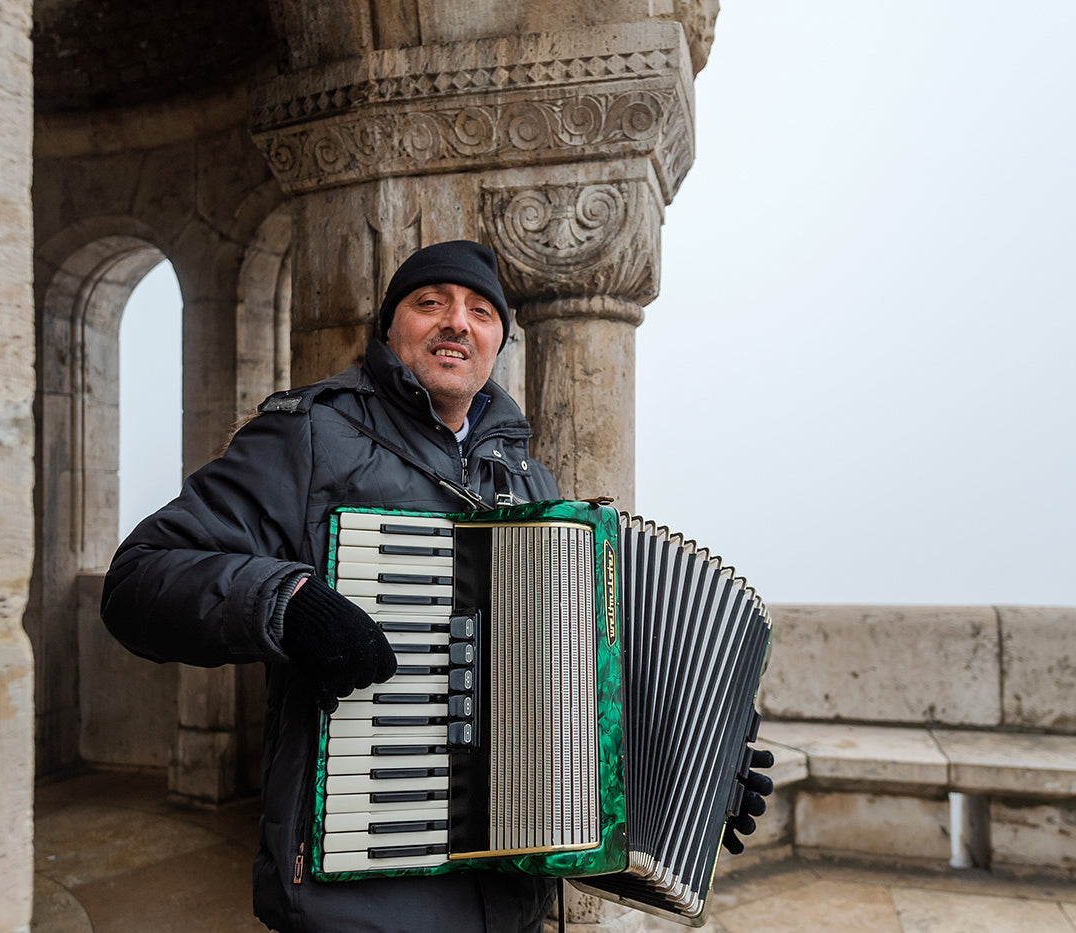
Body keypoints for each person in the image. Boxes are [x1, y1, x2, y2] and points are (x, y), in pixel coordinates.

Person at [102, 240, 771, 933]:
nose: (457, 321)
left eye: (481, 312)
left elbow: (579, 695)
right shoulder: (306, 435)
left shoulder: (527, 482)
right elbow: (137, 578)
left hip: (509, 899)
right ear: (391, 328)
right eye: (431, 303)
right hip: (360, 898)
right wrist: (288, 600)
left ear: (497, 342)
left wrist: (703, 780)